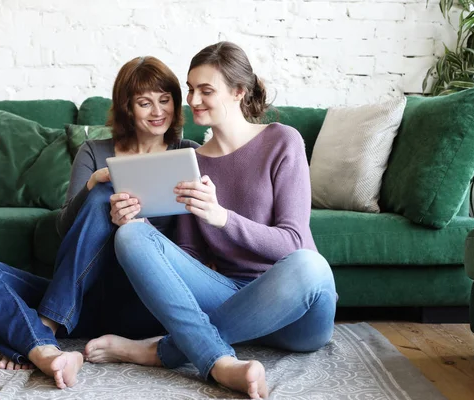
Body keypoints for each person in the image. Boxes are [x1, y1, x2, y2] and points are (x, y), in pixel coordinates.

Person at [81, 41, 338, 399]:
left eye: (206, 90)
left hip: (295, 312)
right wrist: (136, 218)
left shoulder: (283, 141)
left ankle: (162, 351)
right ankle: (215, 357)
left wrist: (222, 218)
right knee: (132, 236)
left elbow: (293, 242)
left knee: (310, 265)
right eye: (190, 89)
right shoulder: (191, 159)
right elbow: (188, 254)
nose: (193, 99)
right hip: (227, 298)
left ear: (238, 92)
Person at [0, 56, 199, 389]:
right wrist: (91, 184)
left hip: (139, 302)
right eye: (145, 102)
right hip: (79, 296)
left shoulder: (187, 153)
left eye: (165, 99)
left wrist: (136, 227)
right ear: (127, 107)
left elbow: (194, 244)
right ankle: (46, 352)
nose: (158, 111)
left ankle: (40, 333)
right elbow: (64, 227)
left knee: (105, 195)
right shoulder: (94, 151)